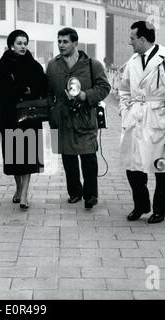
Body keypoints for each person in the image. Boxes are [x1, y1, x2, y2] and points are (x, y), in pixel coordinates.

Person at [119, 21, 165, 223]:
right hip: (136, 117)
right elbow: (123, 88)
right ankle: (141, 205)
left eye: (132, 38)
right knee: (132, 166)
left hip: (160, 117)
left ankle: (160, 210)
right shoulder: (132, 61)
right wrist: (125, 110)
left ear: (142, 39)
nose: (129, 42)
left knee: (161, 166)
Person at [46, 28, 110, 209]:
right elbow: (48, 91)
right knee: (68, 159)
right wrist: (52, 109)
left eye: (65, 42)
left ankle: (91, 195)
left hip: (85, 119)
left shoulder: (92, 64)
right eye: (59, 41)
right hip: (62, 120)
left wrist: (85, 95)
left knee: (89, 158)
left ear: (75, 43)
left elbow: (105, 87)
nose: (61, 45)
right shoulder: (52, 65)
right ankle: (74, 192)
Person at [0, 29, 47, 210]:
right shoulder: (3, 65)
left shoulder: (34, 64)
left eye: (25, 43)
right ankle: (18, 187)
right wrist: (20, 88)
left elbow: (43, 86)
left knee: (28, 156)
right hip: (10, 117)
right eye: (19, 43)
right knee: (14, 157)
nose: (23, 47)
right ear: (11, 45)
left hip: (30, 117)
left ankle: (24, 195)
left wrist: (29, 89)